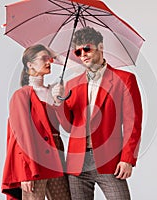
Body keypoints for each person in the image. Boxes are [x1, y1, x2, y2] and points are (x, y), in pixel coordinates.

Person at [52, 26, 143, 200]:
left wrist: (128, 159)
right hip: (77, 163)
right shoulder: (71, 84)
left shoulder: (124, 79)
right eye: (78, 52)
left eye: (87, 48)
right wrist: (58, 102)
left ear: (100, 47)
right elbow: (68, 126)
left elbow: (133, 123)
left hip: (110, 160)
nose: (83, 54)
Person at [1, 44, 71, 200]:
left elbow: (68, 127)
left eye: (50, 58)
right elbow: (21, 138)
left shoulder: (54, 92)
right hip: (34, 158)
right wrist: (26, 172)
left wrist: (59, 102)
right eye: (44, 59)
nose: (49, 62)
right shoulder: (21, 95)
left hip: (56, 155)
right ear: (29, 64)